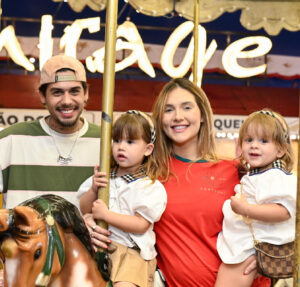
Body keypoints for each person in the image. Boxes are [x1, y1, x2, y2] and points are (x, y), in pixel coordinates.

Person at [84, 78, 270, 286]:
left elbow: (278, 216)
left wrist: (265, 256)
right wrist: (90, 225)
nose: (178, 117)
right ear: (160, 119)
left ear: (202, 115)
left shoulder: (234, 170)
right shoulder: (146, 173)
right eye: (169, 109)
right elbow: (105, 207)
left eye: (187, 107)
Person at [78, 110, 167, 287]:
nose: (121, 147)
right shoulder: (105, 177)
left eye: (130, 142)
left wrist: (106, 215)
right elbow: (84, 208)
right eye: (117, 140)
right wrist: (94, 189)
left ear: (148, 149)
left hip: (131, 255)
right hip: (99, 248)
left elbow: (141, 225)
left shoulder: (148, 186)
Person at [0, 54, 100, 208]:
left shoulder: (108, 143)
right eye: (57, 92)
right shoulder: (10, 139)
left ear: (86, 94)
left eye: (74, 91)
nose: (67, 101)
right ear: (42, 96)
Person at [215, 109, 296, 287]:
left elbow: (284, 211)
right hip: (246, 247)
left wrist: (245, 209)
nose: (254, 145)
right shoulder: (260, 174)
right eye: (249, 140)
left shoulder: (276, 176)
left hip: (248, 251)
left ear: (281, 149)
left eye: (264, 141)